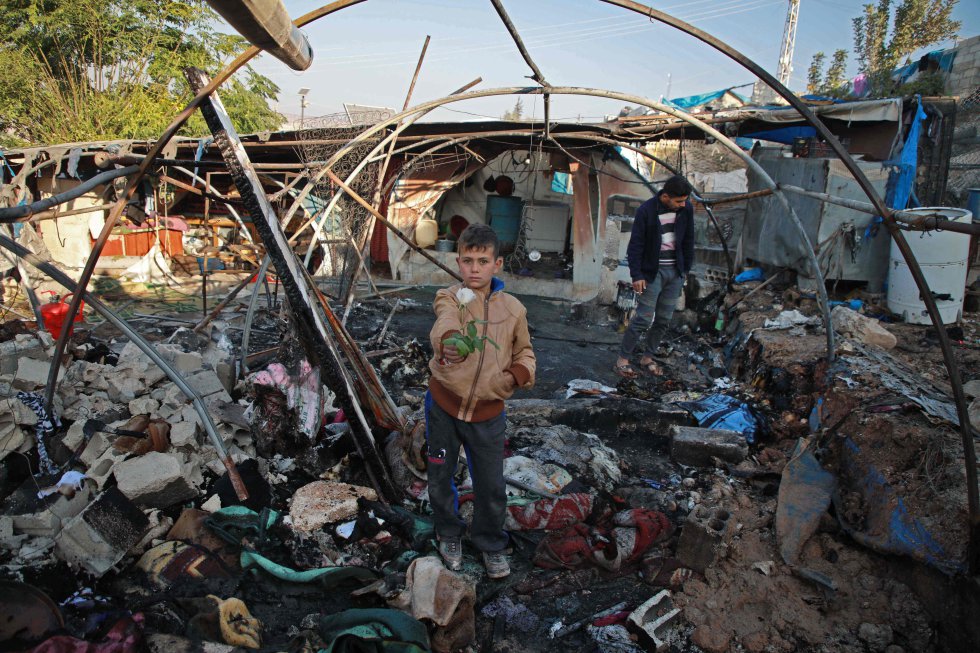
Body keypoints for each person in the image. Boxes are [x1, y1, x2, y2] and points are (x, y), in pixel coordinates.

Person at [425, 223, 536, 579]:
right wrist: (452, 342)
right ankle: (448, 532)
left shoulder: (514, 309)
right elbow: (444, 324)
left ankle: (490, 542)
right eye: (468, 260)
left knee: (491, 485)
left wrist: (512, 377)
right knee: (440, 477)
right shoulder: (452, 297)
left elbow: (526, 353)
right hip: (443, 405)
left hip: (489, 412)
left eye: (483, 261)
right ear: (458, 262)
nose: (475, 268)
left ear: (497, 264)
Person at [614, 174, 695, 378]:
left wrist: (685, 270)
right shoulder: (646, 211)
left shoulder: (687, 209)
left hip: (675, 272)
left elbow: (689, 240)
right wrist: (637, 275)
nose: (683, 204)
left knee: (664, 319)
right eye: (679, 201)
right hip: (652, 273)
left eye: (685, 200)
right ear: (666, 197)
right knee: (643, 318)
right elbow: (636, 245)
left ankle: (647, 357)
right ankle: (623, 359)